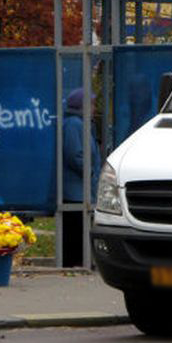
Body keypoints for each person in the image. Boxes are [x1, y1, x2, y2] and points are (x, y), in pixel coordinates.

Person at [61, 88, 99, 267]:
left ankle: (79, 259)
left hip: (80, 187)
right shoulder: (74, 124)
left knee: (78, 225)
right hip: (75, 188)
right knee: (75, 226)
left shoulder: (81, 123)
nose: (94, 108)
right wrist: (89, 171)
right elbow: (74, 154)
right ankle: (75, 261)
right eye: (91, 104)